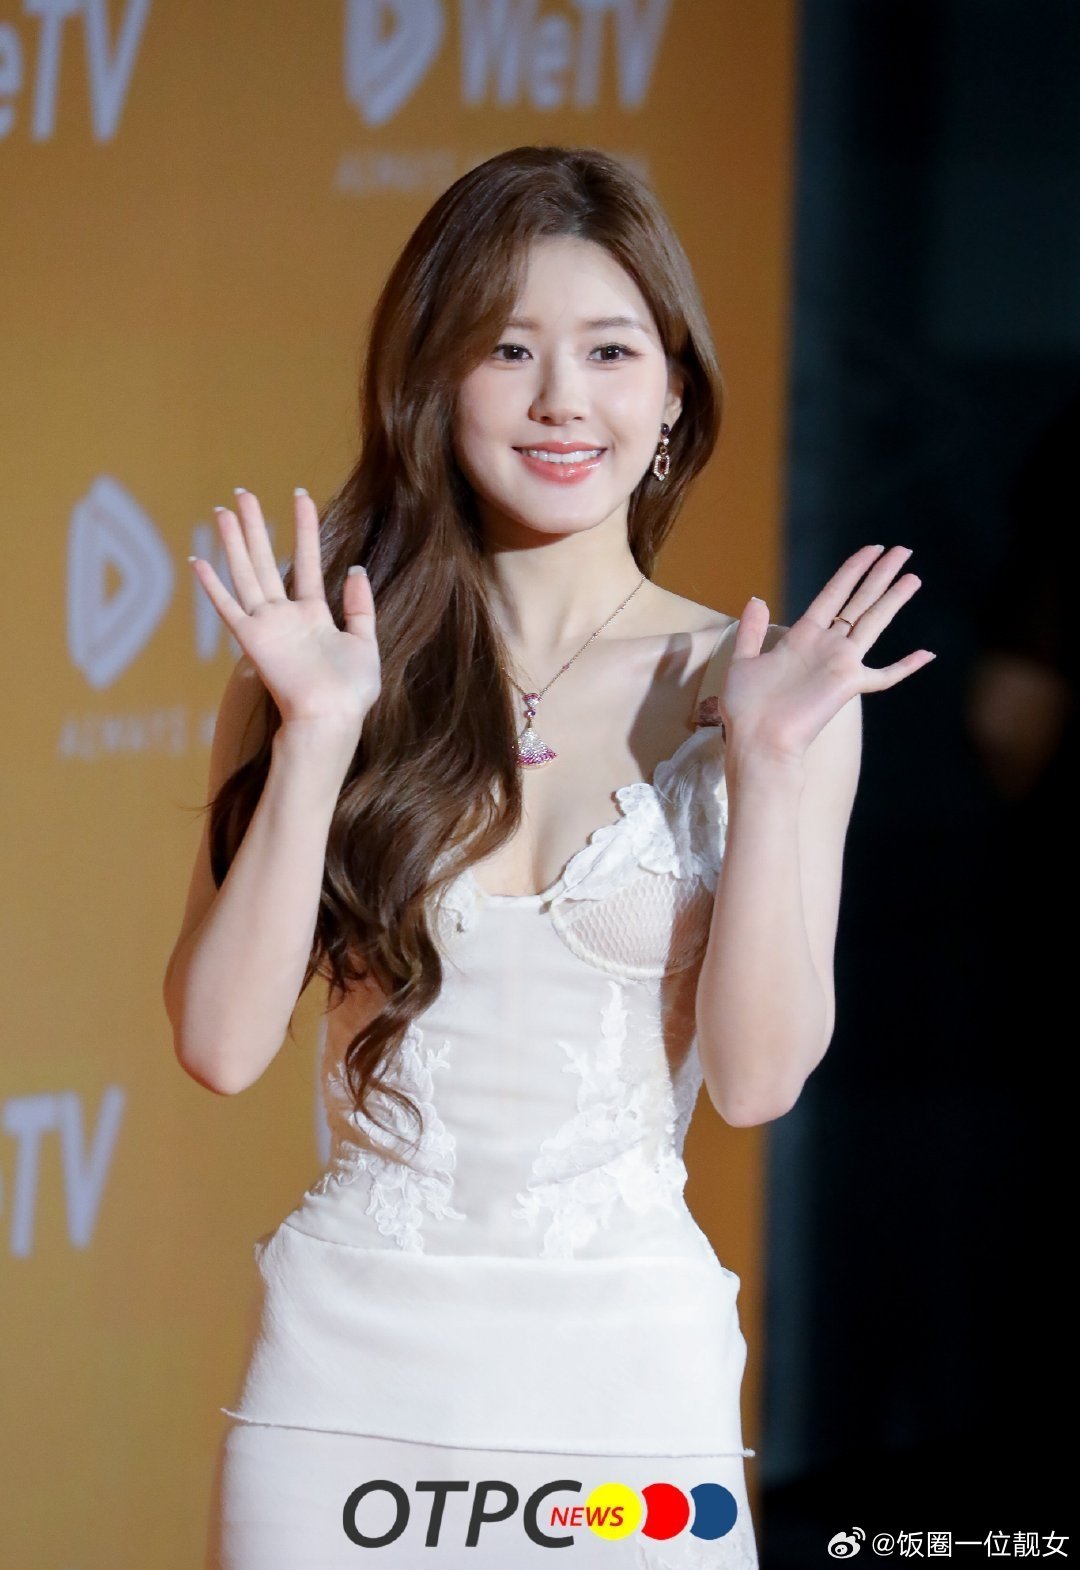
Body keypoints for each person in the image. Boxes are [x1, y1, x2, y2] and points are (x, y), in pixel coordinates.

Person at [164, 145, 932, 1569]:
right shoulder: (321, 671)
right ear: (432, 382)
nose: (563, 398)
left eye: (610, 350)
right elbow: (218, 1043)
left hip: (624, 1383)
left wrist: (767, 767)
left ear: (674, 391)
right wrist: (318, 735)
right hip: (348, 1379)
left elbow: (758, 1082)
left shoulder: (761, 693)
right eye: (508, 348)